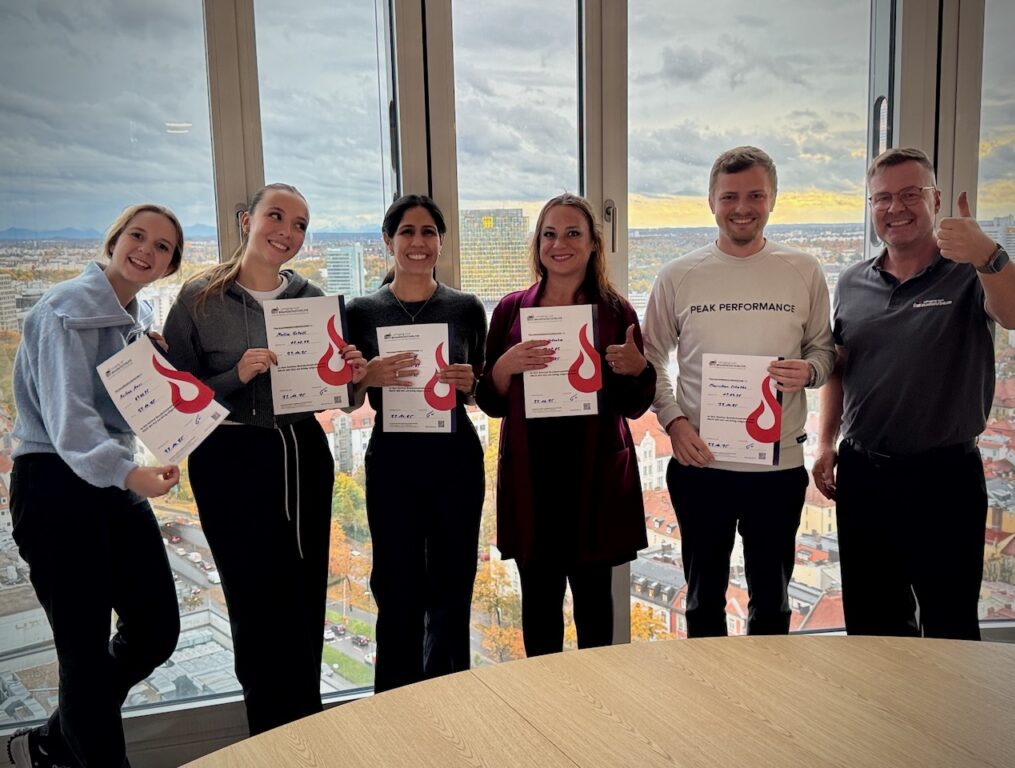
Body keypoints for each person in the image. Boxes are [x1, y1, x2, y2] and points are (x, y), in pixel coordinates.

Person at [162, 183, 366, 734]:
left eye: (300, 225)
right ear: (247, 219)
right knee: (252, 601)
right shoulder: (199, 297)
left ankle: (308, 726)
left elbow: (343, 400)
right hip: (229, 456)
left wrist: (350, 375)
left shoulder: (312, 298)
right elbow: (178, 398)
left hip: (301, 452)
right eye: (277, 216)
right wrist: (237, 375)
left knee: (304, 596)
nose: (288, 232)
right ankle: (269, 735)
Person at [812, 147, 1015, 640]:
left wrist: (988, 254)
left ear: (937, 199)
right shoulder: (850, 282)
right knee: (872, 627)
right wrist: (825, 442)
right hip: (864, 476)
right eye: (882, 198)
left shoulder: (969, 272)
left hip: (944, 477)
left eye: (911, 194)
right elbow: (841, 369)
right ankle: (884, 720)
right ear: (870, 206)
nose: (896, 208)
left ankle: (945, 721)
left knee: (950, 626)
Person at [7, 204, 184, 767]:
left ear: (168, 265)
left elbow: (126, 408)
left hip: (109, 477)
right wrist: (131, 474)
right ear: (114, 239)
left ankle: (57, 740)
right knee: (82, 654)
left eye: (162, 247)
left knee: (155, 628)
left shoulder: (135, 314)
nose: (147, 251)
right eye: (139, 236)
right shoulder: (63, 309)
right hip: (54, 482)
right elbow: (70, 422)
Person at [643, 146, 835, 638]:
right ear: (711, 201)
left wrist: (808, 372)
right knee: (703, 600)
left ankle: (767, 708)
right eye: (729, 196)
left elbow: (825, 350)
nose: (742, 207)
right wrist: (674, 422)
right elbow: (650, 359)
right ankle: (707, 707)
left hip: (777, 468)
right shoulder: (678, 275)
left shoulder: (803, 270)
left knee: (772, 601)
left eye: (755, 195)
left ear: (773, 200)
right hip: (700, 465)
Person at [475, 193, 655, 656]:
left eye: (573, 232)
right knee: (538, 609)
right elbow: (489, 401)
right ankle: (545, 715)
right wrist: (505, 366)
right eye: (549, 234)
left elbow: (634, 407)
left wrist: (637, 369)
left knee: (596, 611)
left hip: (594, 476)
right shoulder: (511, 311)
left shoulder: (617, 312)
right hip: (534, 477)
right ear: (537, 244)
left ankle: (598, 715)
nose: (560, 244)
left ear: (594, 243)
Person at [346, 194, 487, 692]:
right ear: (388, 241)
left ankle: (451, 702)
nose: (418, 242)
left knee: (453, 590)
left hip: (455, 460)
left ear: (441, 243)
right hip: (394, 463)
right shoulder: (361, 311)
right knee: (396, 589)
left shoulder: (466, 307)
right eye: (407, 232)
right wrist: (369, 377)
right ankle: (398, 710)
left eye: (429, 232)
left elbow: (484, 393)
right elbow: (344, 398)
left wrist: (471, 382)